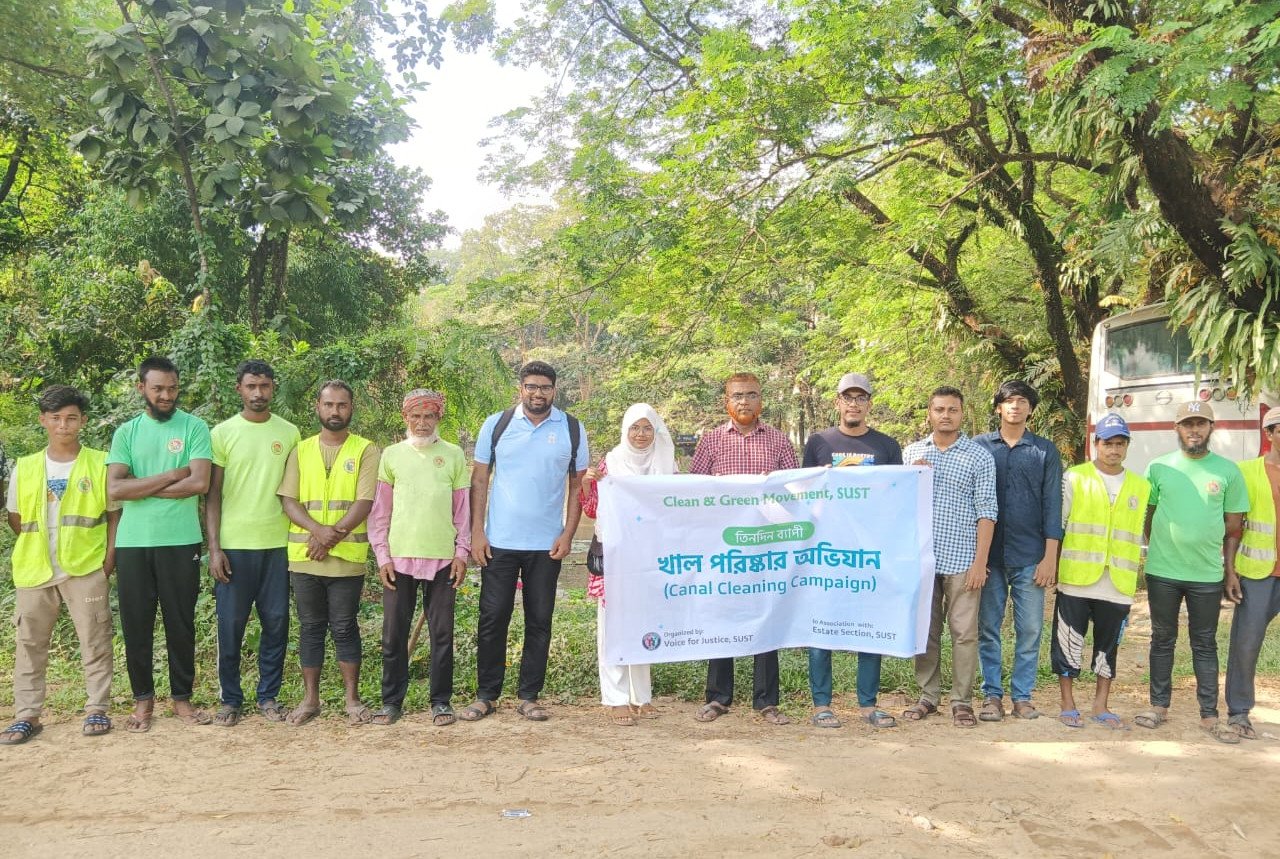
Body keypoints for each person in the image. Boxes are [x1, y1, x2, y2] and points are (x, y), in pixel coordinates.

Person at [461, 361, 589, 723]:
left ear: (554, 390)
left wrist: (567, 532)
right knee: (492, 618)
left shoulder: (572, 429)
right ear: (521, 388)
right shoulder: (497, 424)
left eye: (545, 387)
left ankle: (529, 695)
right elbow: (480, 480)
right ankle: (486, 695)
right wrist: (477, 532)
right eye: (531, 386)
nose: (538, 393)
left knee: (539, 620)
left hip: (546, 545)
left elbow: (578, 486)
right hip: (499, 541)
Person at [1, 386, 119, 744]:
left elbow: (115, 516)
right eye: (55, 418)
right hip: (35, 569)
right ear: (43, 421)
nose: (63, 425)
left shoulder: (100, 463)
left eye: (71, 418)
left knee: (95, 639)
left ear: (82, 421)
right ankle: (27, 715)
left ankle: (97, 708)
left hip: (85, 568)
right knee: (30, 643)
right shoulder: (27, 466)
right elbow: (16, 518)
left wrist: (108, 561)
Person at [107, 356, 213, 732]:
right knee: (137, 625)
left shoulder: (195, 427)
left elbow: (199, 483)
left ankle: (182, 699)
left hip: (181, 541)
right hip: (133, 543)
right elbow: (116, 488)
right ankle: (143, 702)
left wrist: (143, 486)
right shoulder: (126, 433)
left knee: (180, 623)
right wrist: (171, 474)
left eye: (171, 388)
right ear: (142, 389)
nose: (166, 395)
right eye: (158, 389)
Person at [689, 372, 799, 725]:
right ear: (726, 401)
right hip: (724, 549)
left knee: (767, 616)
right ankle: (718, 697)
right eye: (737, 395)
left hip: (768, 547)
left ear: (761, 401)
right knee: (723, 617)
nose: (744, 402)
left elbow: (793, 494)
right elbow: (695, 493)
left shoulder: (780, 442)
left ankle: (766, 701)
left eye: (751, 395)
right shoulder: (711, 441)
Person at [1137, 401, 1247, 744]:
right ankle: (1158, 707)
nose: (1194, 430)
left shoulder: (1228, 471)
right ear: (1177, 429)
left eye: (1201, 424)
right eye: (1188, 424)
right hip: (1163, 572)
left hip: (1207, 574)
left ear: (1212, 428)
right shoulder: (1158, 467)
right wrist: (1164, 549)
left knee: (1204, 644)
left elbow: (1233, 528)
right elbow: (1147, 514)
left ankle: (1209, 716)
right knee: (1162, 639)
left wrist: (1229, 572)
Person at [801, 372, 902, 729]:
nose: (854, 404)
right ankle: (821, 704)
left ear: (869, 403)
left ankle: (867, 704)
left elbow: (896, 495)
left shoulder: (887, 446)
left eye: (861, 398)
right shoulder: (818, 442)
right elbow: (805, 495)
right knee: (820, 626)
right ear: (837, 402)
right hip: (827, 550)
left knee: (869, 625)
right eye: (848, 397)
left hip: (870, 550)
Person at [278, 380, 380, 726]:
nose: (334, 411)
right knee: (310, 627)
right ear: (318, 408)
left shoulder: (366, 450)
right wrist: (317, 532)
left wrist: (329, 538)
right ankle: (311, 700)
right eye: (328, 405)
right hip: (304, 557)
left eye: (341, 405)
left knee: (344, 627)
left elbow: (364, 502)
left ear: (352, 408)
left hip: (346, 560)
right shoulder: (301, 449)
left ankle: (352, 700)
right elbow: (288, 499)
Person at [205, 360, 300, 727]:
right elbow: (212, 495)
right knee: (231, 625)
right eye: (251, 386)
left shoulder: (290, 433)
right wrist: (214, 548)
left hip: (278, 545)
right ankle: (230, 699)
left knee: (276, 622)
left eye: (264, 386)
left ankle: (269, 696)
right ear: (239, 389)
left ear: (273, 388)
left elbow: (293, 493)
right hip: (233, 547)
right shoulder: (223, 433)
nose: (258, 393)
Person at [368, 389, 469, 728]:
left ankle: (441, 702)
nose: (422, 423)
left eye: (429, 417)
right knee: (393, 634)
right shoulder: (392, 456)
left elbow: (462, 513)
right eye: (416, 417)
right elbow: (380, 513)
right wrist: (382, 556)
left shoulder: (453, 455)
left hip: (443, 560)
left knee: (442, 634)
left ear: (438, 418)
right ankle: (391, 702)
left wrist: (462, 553)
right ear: (405, 419)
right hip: (398, 561)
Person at [901, 386, 998, 728]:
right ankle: (928, 696)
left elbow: (987, 511)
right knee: (925, 632)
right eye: (939, 409)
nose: (945, 415)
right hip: (922, 561)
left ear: (961, 413)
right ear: (929, 413)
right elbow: (898, 508)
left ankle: (962, 701)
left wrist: (980, 562)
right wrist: (912, 476)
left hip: (962, 560)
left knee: (964, 633)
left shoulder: (978, 456)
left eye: (952, 410)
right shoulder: (911, 453)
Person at [580, 403, 677, 726]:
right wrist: (588, 484)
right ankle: (616, 698)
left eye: (647, 428)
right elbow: (594, 510)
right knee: (613, 626)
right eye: (635, 428)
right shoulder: (611, 462)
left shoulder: (666, 463)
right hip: (616, 556)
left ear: (656, 431)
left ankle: (641, 696)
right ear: (625, 430)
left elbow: (676, 506)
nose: (640, 434)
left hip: (650, 556)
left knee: (642, 622)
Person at [1052, 414, 1149, 729]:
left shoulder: (1141, 486)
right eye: (1108, 443)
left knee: (1109, 646)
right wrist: (1052, 567)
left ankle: (1100, 705)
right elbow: (1060, 526)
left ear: (1126, 447)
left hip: (1118, 582)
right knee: (1068, 643)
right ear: (1096, 445)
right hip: (1077, 580)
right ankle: (1068, 703)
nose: (1114, 450)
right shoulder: (1075, 477)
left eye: (1120, 444)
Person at [974, 380, 1064, 721]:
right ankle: (992, 695)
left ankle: (1022, 696)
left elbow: (1052, 505)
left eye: (1022, 401)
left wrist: (1050, 556)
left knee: (1029, 630)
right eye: (1009, 400)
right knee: (988, 627)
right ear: (998, 407)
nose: (1015, 406)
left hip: (1031, 556)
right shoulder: (980, 447)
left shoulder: (1044, 450)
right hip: (989, 557)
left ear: (1030, 409)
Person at [1224, 409, 1280, 740]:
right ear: (1270, 433)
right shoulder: (1247, 472)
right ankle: (1239, 711)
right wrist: (1229, 570)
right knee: (1247, 642)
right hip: (1258, 573)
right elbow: (1234, 528)